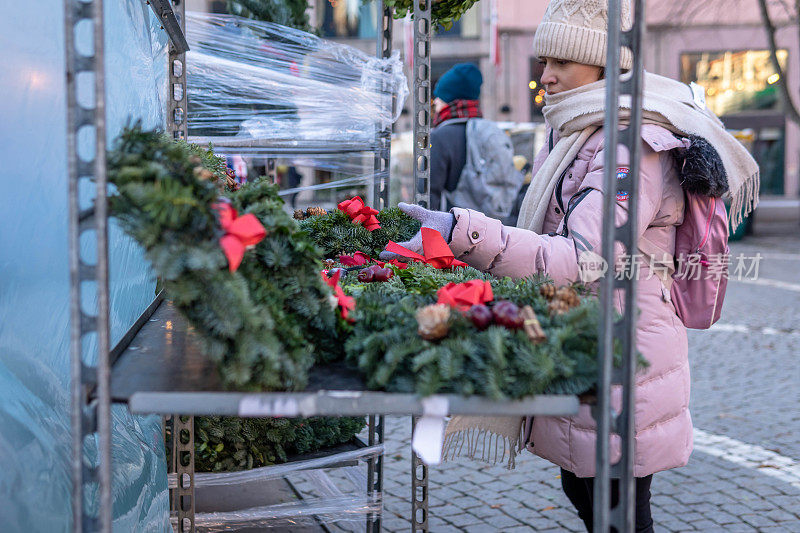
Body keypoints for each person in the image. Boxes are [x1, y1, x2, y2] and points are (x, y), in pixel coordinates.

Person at [381, 0, 759, 531]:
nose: (546, 76)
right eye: (543, 62)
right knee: (586, 491)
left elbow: (582, 258)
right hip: (592, 341)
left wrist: (460, 232)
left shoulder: (629, 148)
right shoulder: (581, 134)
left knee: (617, 511)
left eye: (562, 62)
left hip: (624, 353)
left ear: (603, 67)